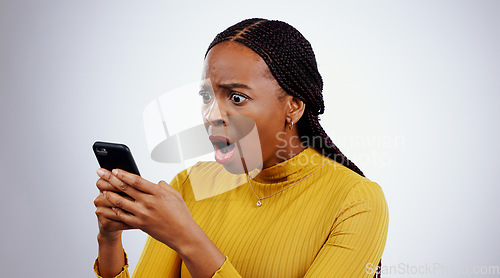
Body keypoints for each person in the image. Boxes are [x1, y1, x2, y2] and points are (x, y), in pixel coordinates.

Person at [93, 18, 388, 278]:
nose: (211, 115)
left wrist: (190, 241)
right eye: (207, 96)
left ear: (294, 106)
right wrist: (110, 241)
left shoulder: (356, 201)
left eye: (236, 98)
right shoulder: (189, 186)